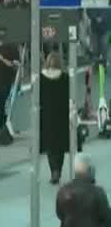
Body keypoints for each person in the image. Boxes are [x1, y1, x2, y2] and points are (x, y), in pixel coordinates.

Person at [55, 153, 110, 227]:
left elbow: (60, 214)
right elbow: (106, 217)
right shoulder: (97, 192)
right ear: (90, 170)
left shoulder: (63, 190)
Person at [40, 51, 70, 184]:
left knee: (50, 146)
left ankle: (54, 171)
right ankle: (59, 170)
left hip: (46, 115)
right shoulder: (65, 77)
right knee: (60, 145)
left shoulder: (41, 77)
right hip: (62, 114)